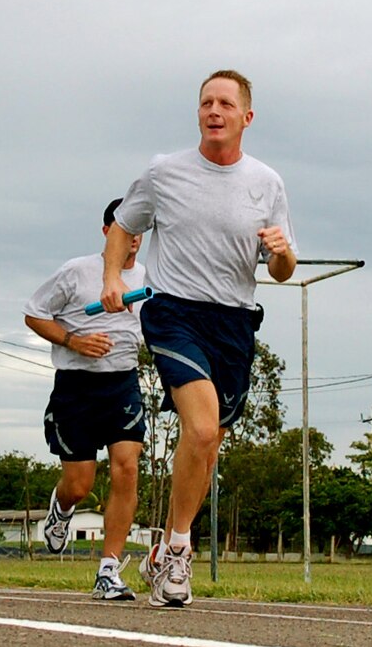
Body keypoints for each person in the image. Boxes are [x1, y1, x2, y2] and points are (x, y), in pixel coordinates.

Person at [99, 70, 296, 607]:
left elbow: (282, 270)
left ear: (246, 117)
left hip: (234, 320)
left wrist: (280, 250)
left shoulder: (267, 183)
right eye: (206, 102)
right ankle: (182, 551)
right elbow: (123, 225)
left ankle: (162, 548)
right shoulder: (165, 172)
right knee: (202, 428)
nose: (214, 110)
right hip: (174, 312)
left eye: (226, 104)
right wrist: (113, 277)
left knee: (208, 448)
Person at [24, 199, 147, 600]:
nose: (131, 240)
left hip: (124, 384)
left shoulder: (151, 277)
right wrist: (74, 340)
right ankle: (61, 509)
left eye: (137, 232)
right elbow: (35, 314)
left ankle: (109, 570)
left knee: (127, 468)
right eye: (123, 230)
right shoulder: (77, 271)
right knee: (80, 484)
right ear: (107, 232)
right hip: (76, 387)